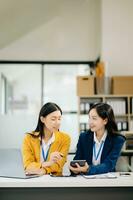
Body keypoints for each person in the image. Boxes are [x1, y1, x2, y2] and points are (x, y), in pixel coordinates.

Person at [69, 102, 126, 175]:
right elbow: (77, 160)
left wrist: (88, 169)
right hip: (86, 180)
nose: (90, 122)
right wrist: (74, 169)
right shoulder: (83, 137)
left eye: (94, 118)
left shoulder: (117, 140)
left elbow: (109, 165)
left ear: (105, 120)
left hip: (108, 181)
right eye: (89, 118)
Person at [22, 102, 71, 176]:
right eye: (53, 119)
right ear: (42, 119)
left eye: (59, 119)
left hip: (54, 181)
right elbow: (28, 165)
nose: (57, 123)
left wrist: (43, 170)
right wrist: (48, 163)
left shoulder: (65, 139)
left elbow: (58, 165)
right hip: (33, 180)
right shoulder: (29, 138)